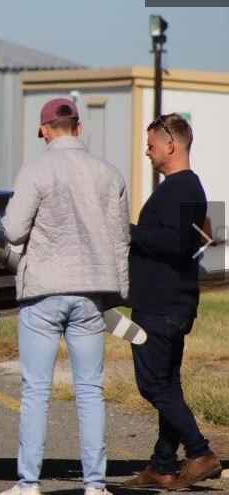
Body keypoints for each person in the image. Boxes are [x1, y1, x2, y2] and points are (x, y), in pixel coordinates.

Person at [0, 98, 129, 495]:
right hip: (91, 294)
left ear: (44, 129)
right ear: (79, 126)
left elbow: (14, 231)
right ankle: (95, 485)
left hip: (43, 290)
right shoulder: (109, 174)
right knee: (90, 390)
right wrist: (118, 292)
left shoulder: (36, 170)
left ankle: (29, 483)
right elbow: (120, 239)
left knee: (36, 389)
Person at [122, 114, 222, 490]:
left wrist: (130, 232)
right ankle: (162, 465)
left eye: (150, 144)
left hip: (161, 305)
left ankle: (200, 452)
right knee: (167, 383)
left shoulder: (181, 189)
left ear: (170, 144)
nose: (147, 151)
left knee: (152, 384)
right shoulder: (184, 189)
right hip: (171, 303)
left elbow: (178, 243)